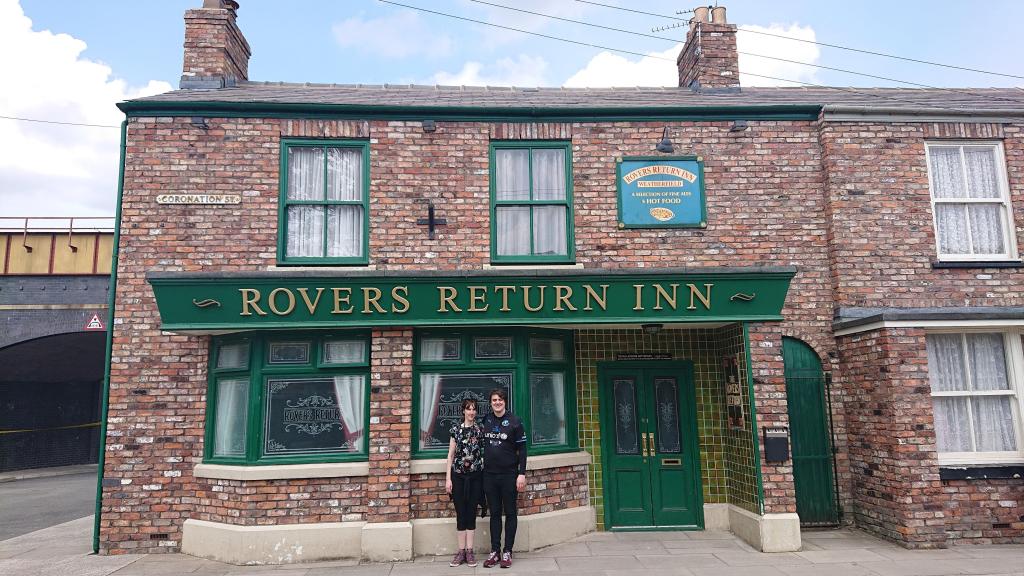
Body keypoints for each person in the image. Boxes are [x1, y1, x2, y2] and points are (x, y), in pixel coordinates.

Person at [481, 388, 527, 569]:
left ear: (505, 401)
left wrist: (521, 473)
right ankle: (495, 552)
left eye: (500, 399)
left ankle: (507, 551)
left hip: (509, 475)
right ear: (490, 403)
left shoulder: (515, 422)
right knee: (494, 514)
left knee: (510, 513)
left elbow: (522, 450)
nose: (497, 402)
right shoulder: (486, 420)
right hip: (489, 475)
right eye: (494, 400)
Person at [445, 398, 485, 567]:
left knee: (471, 513)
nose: (471, 412)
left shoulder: (480, 429)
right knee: (461, 513)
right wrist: (448, 479)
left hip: (475, 477)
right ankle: (461, 551)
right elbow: (450, 455)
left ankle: (469, 551)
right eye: (468, 409)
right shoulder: (456, 430)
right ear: (463, 411)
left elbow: (484, 453)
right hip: (458, 477)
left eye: (474, 409)